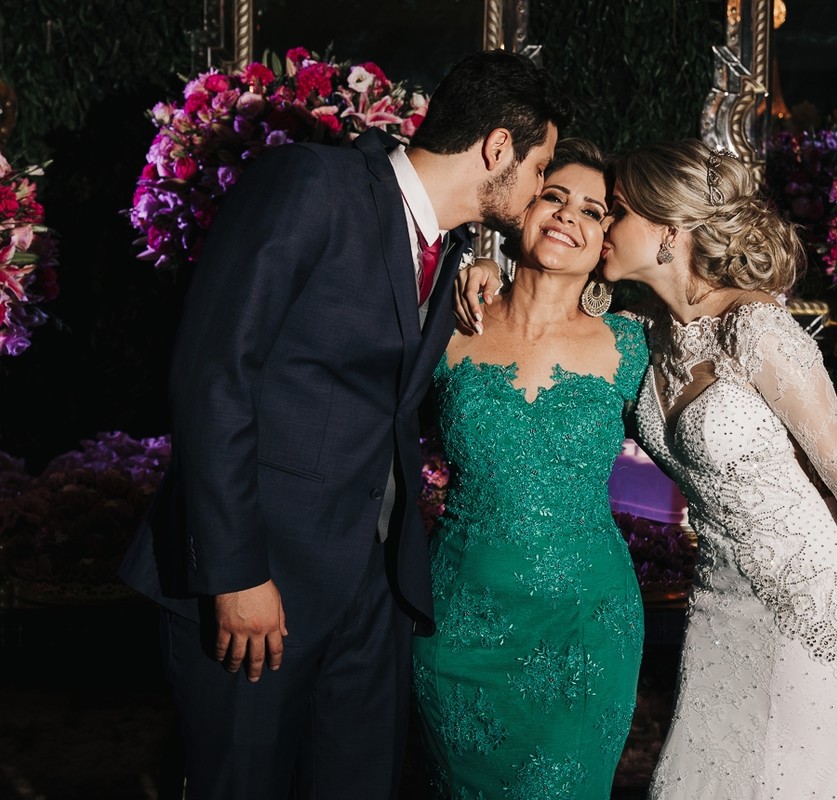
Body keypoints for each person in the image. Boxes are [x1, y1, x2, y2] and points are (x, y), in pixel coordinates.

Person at [118, 49, 572, 800]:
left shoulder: (450, 250)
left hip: (372, 593)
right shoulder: (311, 184)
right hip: (257, 583)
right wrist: (236, 573)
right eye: (539, 167)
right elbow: (214, 376)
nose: (536, 191)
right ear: (498, 148)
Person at [457, 138, 837, 798]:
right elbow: (551, 307)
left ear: (668, 229)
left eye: (616, 211)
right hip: (718, 606)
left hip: (814, 608)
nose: (603, 225)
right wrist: (483, 271)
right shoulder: (648, 332)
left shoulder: (759, 330)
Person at [413, 139, 648, 799]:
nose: (568, 215)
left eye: (592, 210)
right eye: (554, 196)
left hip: (583, 631)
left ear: (605, 241)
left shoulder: (632, 346)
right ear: (524, 208)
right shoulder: (448, 322)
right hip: (459, 626)